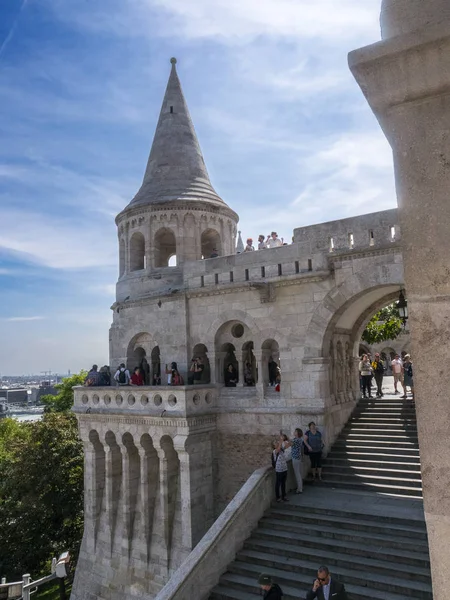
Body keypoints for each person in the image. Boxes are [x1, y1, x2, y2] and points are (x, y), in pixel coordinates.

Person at [272, 435, 290, 502]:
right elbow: (278, 449)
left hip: (284, 468)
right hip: (279, 470)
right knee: (278, 483)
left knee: (283, 483)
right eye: (275, 443)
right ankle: (277, 497)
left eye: (276, 442)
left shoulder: (281, 449)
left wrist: (286, 439)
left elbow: (289, 445)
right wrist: (281, 441)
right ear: (273, 446)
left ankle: (284, 496)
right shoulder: (274, 451)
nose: (276, 443)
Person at [291, 428, 304, 494]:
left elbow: (291, 443)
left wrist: (284, 438)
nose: (294, 432)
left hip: (295, 458)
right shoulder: (300, 439)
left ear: (298, 433)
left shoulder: (296, 440)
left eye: (295, 431)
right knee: (299, 473)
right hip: (298, 457)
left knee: (297, 473)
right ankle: (300, 487)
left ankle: (299, 488)